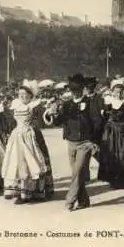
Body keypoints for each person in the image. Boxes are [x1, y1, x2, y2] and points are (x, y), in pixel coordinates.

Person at [44, 74, 101, 211]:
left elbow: (97, 122)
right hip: (71, 142)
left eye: (77, 89)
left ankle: (69, 201)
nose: (75, 92)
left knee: (77, 171)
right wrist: (51, 113)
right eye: (73, 89)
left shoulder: (90, 102)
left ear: (83, 88)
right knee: (77, 173)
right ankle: (84, 201)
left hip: (86, 142)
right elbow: (58, 122)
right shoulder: (67, 104)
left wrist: (95, 141)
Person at [2, 79, 54, 204]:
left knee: (33, 162)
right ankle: (20, 192)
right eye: (21, 95)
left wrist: (49, 112)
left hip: (31, 136)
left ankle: (35, 191)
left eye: (26, 95)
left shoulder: (35, 105)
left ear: (31, 96)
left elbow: (43, 116)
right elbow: (10, 121)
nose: (23, 97)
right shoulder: (16, 105)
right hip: (17, 137)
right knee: (18, 162)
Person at [97, 79, 124, 189]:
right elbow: (104, 118)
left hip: (123, 130)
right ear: (112, 91)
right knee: (111, 154)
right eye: (116, 91)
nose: (119, 93)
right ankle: (113, 179)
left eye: (121, 91)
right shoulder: (108, 101)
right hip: (111, 131)